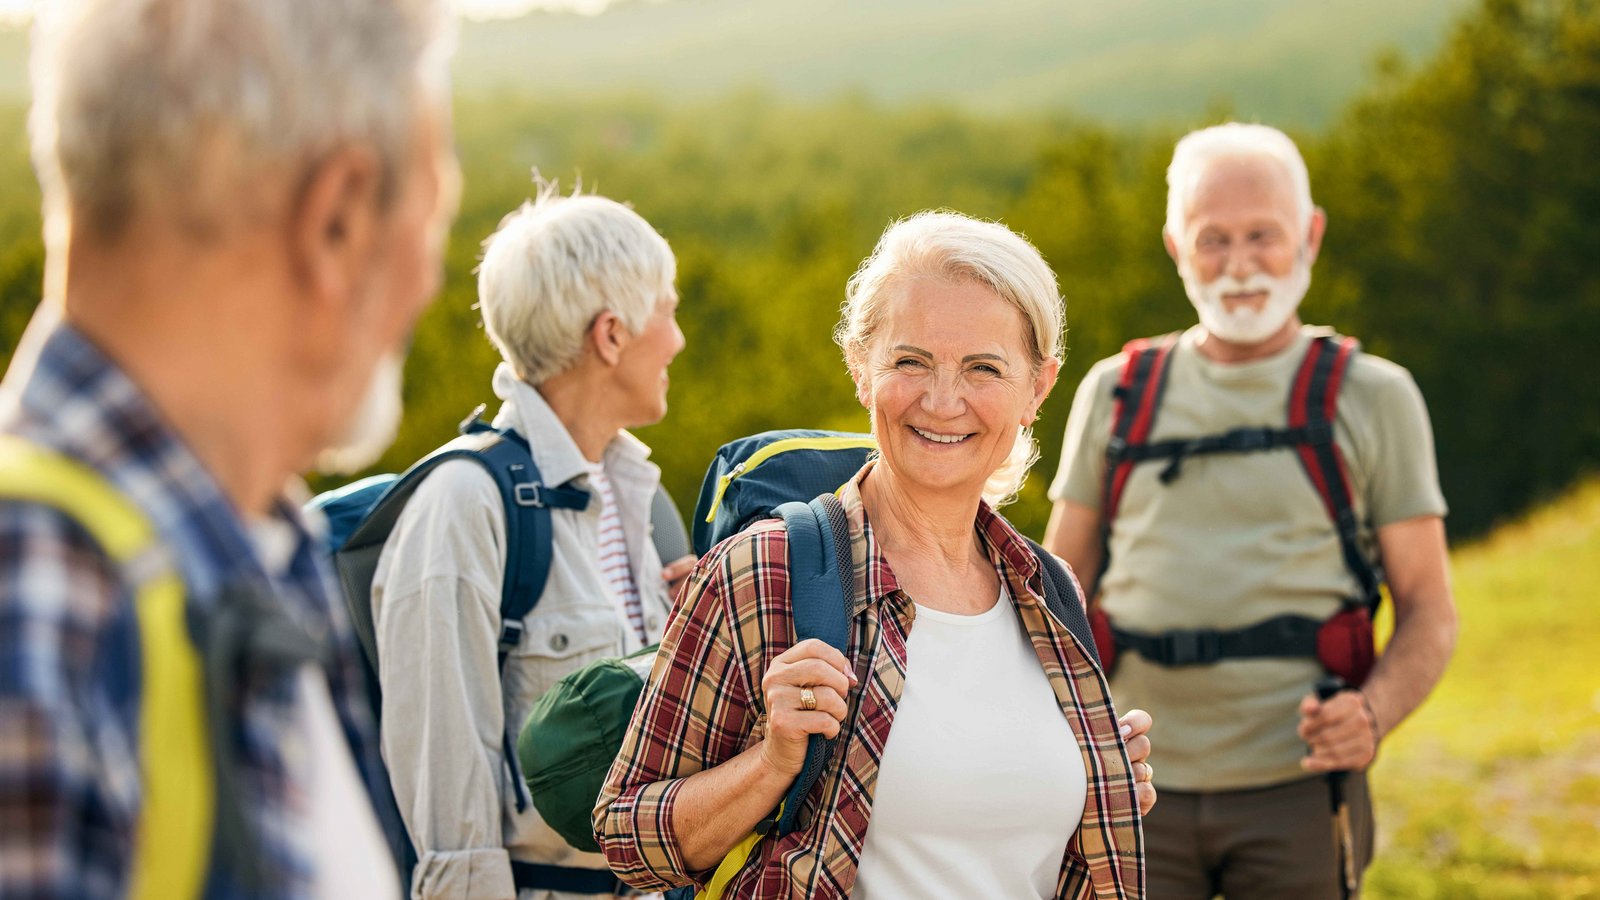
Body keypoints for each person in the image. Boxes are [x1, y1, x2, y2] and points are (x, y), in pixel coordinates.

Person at [0, 0, 461, 898]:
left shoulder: (251, 558)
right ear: (337, 219)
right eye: (436, 217)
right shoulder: (45, 590)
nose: (429, 280)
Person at [596, 211, 1156, 899]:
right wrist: (772, 762)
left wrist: (1098, 785)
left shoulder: (1049, 590)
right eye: (910, 361)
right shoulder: (764, 574)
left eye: (984, 368)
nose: (943, 400)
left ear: (1037, 389)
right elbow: (627, 838)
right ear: (862, 369)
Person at [1043, 123, 1458, 898]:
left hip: (1298, 790)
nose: (1238, 266)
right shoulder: (1115, 391)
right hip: (1132, 784)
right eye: (1212, 240)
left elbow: (1431, 609)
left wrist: (1372, 715)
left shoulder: (1375, 396)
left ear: (1310, 234)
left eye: (1262, 236)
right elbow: (1054, 593)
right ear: (1176, 246)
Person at [370, 184, 696, 900]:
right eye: (667, 313)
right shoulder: (463, 508)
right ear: (611, 335)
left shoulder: (632, 493)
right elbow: (451, 825)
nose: (676, 338)